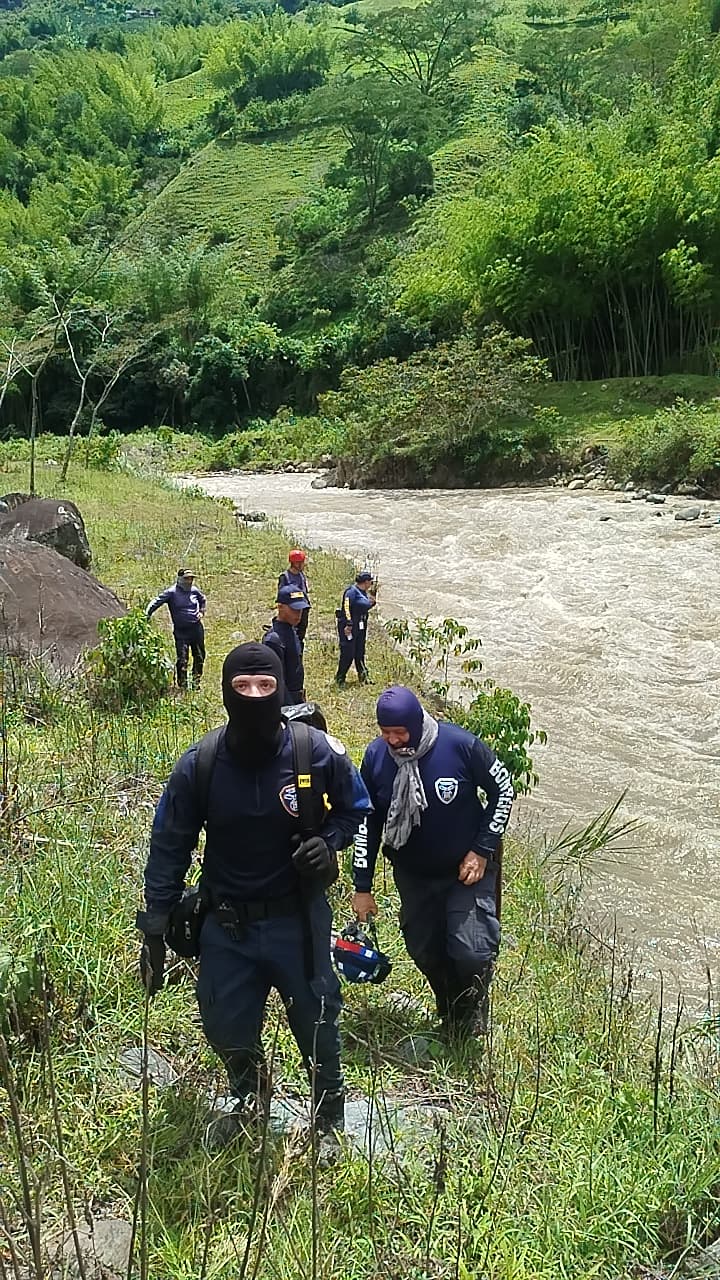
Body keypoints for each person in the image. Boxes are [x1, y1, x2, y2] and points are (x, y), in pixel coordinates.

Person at [136, 643, 371, 1149]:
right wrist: (155, 926)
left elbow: (357, 808)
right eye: (242, 687)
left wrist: (327, 844)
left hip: (298, 921)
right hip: (228, 924)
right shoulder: (200, 764)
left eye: (265, 686)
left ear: (281, 689)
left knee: (318, 1024)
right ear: (225, 692)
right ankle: (249, 1094)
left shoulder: (316, 751)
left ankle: (329, 1119)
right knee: (224, 1023)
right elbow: (169, 844)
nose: (254, 695)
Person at [351, 685, 514, 1038]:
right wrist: (362, 886)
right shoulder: (377, 758)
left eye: (400, 732)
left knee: (471, 950)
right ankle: (451, 1008)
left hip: (465, 870)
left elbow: (504, 789)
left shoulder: (459, 745)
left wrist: (482, 849)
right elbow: (368, 821)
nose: (394, 740)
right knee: (424, 951)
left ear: (416, 723)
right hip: (413, 873)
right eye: (386, 732)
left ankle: (472, 1010)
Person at [146, 568, 206, 691]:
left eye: (191, 579)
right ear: (180, 579)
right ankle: (182, 686)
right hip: (181, 631)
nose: (189, 581)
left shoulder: (194, 591)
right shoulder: (171, 592)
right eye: (186, 579)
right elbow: (155, 602)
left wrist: (201, 611)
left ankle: (196, 683)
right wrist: (146, 615)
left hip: (196, 628)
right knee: (182, 659)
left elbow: (202, 599)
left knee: (199, 656)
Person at [263, 583, 310, 705]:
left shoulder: (291, 630)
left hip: (296, 697)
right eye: (294, 610)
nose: (298, 614)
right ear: (280, 607)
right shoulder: (273, 640)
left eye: (300, 610)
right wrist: (290, 709)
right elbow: (276, 681)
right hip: (284, 703)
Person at [335, 570, 376, 687]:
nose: (371, 584)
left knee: (360, 652)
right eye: (370, 582)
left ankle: (363, 677)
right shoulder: (351, 592)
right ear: (366, 582)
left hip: (361, 626)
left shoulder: (364, 592)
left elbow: (366, 605)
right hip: (350, 627)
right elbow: (346, 607)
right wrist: (349, 623)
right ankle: (340, 678)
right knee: (348, 653)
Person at [278, 549, 311, 650]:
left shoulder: (301, 575)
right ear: (295, 563)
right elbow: (282, 597)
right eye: (301, 563)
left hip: (303, 607)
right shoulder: (285, 577)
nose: (303, 565)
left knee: (301, 635)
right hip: (293, 608)